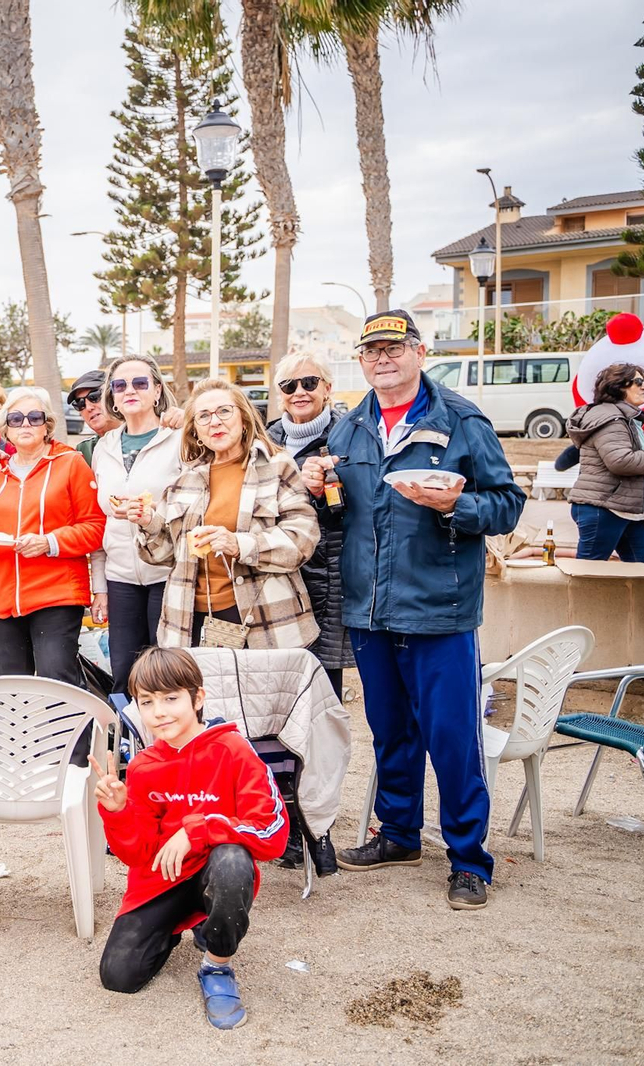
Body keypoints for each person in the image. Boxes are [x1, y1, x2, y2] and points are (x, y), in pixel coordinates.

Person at [301, 309, 525, 910]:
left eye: (393, 348)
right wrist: (316, 485)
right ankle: (398, 834)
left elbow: (506, 504)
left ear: (419, 352)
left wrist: (454, 506)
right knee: (391, 732)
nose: (382, 358)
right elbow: (340, 515)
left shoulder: (459, 419)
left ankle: (469, 859)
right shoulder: (348, 430)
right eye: (371, 349)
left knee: (452, 737)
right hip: (370, 610)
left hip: (440, 610)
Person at [93, 647, 287, 1030]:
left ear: (198, 698)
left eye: (171, 698)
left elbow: (272, 833)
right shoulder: (145, 766)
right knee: (118, 976)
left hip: (217, 871)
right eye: (147, 702)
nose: (159, 712)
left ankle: (217, 965)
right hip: (163, 879)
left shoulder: (234, 750)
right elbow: (139, 854)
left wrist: (197, 830)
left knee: (232, 860)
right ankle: (185, 924)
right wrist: (118, 812)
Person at [128, 380, 319, 653]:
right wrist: (149, 524)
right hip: (189, 622)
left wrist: (238, 545)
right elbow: (163, 556)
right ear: (195, 432)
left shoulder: (276, 466)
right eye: (203, 416)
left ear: (243, 419)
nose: (214, 422)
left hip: (264, 621)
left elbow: (302, 540)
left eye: (224, 412)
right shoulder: (185, 479)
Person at [0, 387, 105, 686]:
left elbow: (94, 527)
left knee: (58, 681)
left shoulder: (71, 464)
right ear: (6, 430)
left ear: (47, 426)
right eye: (16, 419)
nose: (25, 424)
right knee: (12, 688)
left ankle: (73, 735)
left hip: (55, 593)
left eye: (34, 417)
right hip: (2, 596)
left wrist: (49, 542)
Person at [264, 354, 353, 699]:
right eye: (289, 385)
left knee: (323, 689)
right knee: (279, 684)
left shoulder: (349, 435)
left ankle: (325, 754)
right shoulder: (265, 440)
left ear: (327, 388)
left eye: (310, 382)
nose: (299, 391)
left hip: (328, 575)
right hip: (277, 575)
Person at [92, 358, 182, 691]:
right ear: (112, 397)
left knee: (166, 675)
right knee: (125, 675)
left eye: (140, 383)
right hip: (121, 577)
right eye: (120, 385)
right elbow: (100, 522)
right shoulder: (104, 447)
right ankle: (132, 742)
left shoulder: (179, 439)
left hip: (167, 573)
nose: (130, 390)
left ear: (157, 390)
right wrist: (99, 585)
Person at [566, 362, 644, 561]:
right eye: (638, 381)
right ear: (618, 386)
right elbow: (621, 462)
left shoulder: (626, 419)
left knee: (642, 573)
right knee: (588, 574)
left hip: (626, 509)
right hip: (605, 509)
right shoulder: (611, 419)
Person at [67, 369, 123, 465]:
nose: (89, 408)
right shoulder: (84, 450)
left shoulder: (144, 438)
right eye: (80, 403)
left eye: (94, 396)